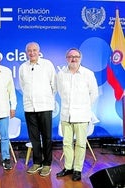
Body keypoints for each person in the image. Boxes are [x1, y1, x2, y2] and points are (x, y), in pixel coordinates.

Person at [56, 48, 98, 181]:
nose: (73, 59)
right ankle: (68, 167)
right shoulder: (61, 74)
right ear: (66, 58)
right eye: (70, 56)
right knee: (66, 143)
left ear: (80, 58)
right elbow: (60, 92)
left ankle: (78, 169)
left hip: (82, 115)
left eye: (76, 56)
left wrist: (84, 106)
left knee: (80, 144)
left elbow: (94, 93)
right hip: (65, 115)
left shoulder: (88, 74)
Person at [19, 42, 56, 176]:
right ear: (26, 52)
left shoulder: (47, 64)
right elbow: (23, 86)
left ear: (39, 51)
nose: (32, 53)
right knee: (34, 138)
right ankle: (37, 162)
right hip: (29, 107)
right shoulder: (23, 67)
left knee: (46, 137)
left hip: (45, 106)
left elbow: (54, 85)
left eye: (34, 50)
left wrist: (46, 98)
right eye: (29, 51)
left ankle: (47, 164)